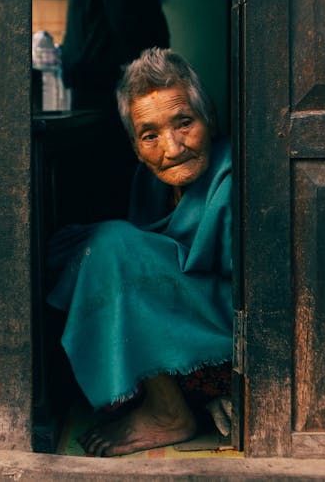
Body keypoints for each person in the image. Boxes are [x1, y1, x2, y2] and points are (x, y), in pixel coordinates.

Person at [47, 48, 232, 457]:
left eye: (184, 123)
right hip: (182, 324)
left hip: (225, 342)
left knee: (112, 245)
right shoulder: (149, 182)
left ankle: (169, 412)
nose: (172, 147)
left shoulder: (233, 179)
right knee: (83, 246)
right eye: (150, 135)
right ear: (134, 146)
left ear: (209, 120)